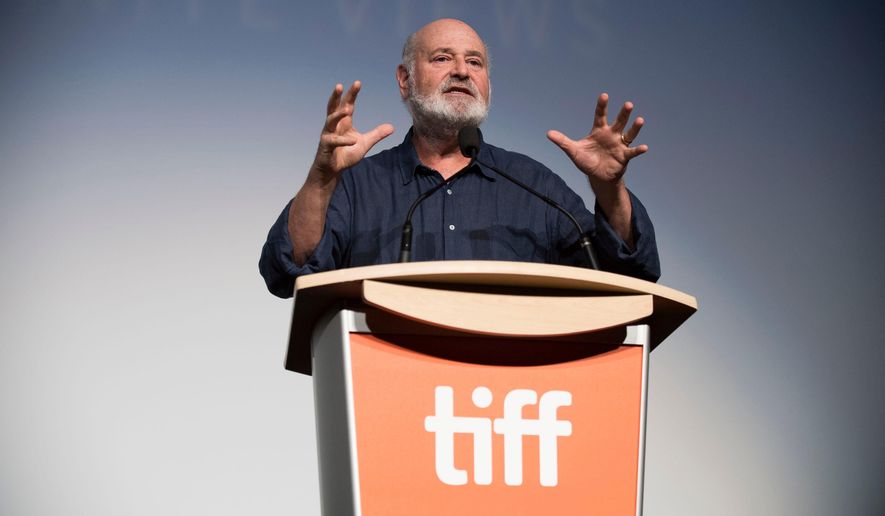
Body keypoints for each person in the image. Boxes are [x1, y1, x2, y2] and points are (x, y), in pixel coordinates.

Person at [260, 18, 659, 298]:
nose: (462, 72)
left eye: (474, 62)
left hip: (508, 404)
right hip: (386, 396)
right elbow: (289, 269)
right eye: (442, 59)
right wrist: (321, 178)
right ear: (405, 79)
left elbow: (626, 275)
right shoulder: (358, 186)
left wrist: (609, 188)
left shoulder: (533, 185)